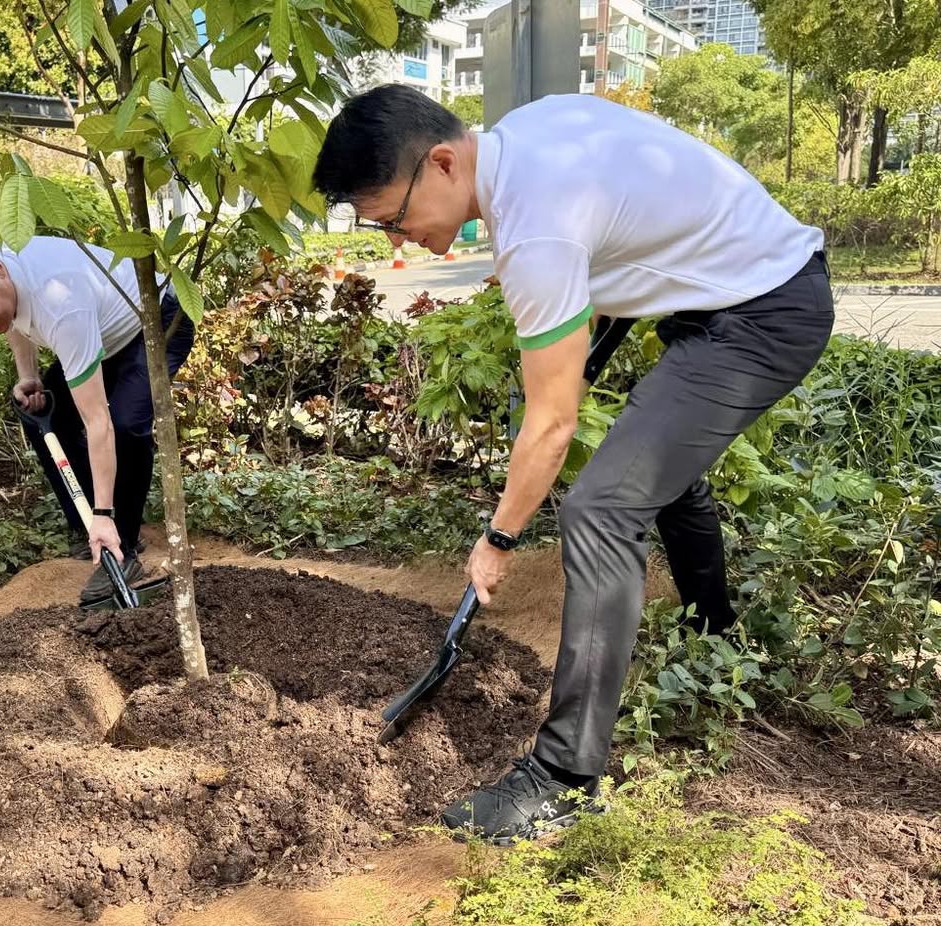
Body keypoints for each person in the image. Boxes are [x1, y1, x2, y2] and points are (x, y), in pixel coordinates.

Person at [312, 85, 834, 843]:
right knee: (652, 470)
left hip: (764, 312)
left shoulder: (533, 231)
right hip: (733, 293)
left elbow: (551, 426)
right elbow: (626, 216)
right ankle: (716, 632)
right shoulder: (528, 133)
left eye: (394, 218)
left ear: (444, 163)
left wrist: (498, 539)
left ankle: (563, 779)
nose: (400, 239)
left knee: (601, 511)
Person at [0, 231, 194, 605]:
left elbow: (98, 423)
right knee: (45, 415)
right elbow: (11, 316)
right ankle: (89, 525)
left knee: (126, 425)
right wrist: (28, 375)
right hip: (103, 335)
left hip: (155, 322)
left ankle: (120, 543)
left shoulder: (60, 303)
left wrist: (105, 512)